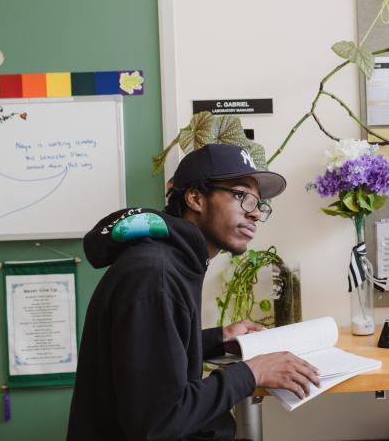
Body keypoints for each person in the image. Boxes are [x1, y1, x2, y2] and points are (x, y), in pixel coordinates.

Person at [67, 143, 320, 440]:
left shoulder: (174, 260)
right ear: (196, 198)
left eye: (258, 203)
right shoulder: (155, 275)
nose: (254, 214)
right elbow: (157, 420)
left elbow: (152, 353)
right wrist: (252, 373)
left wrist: (219, 340)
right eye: (242, 196)